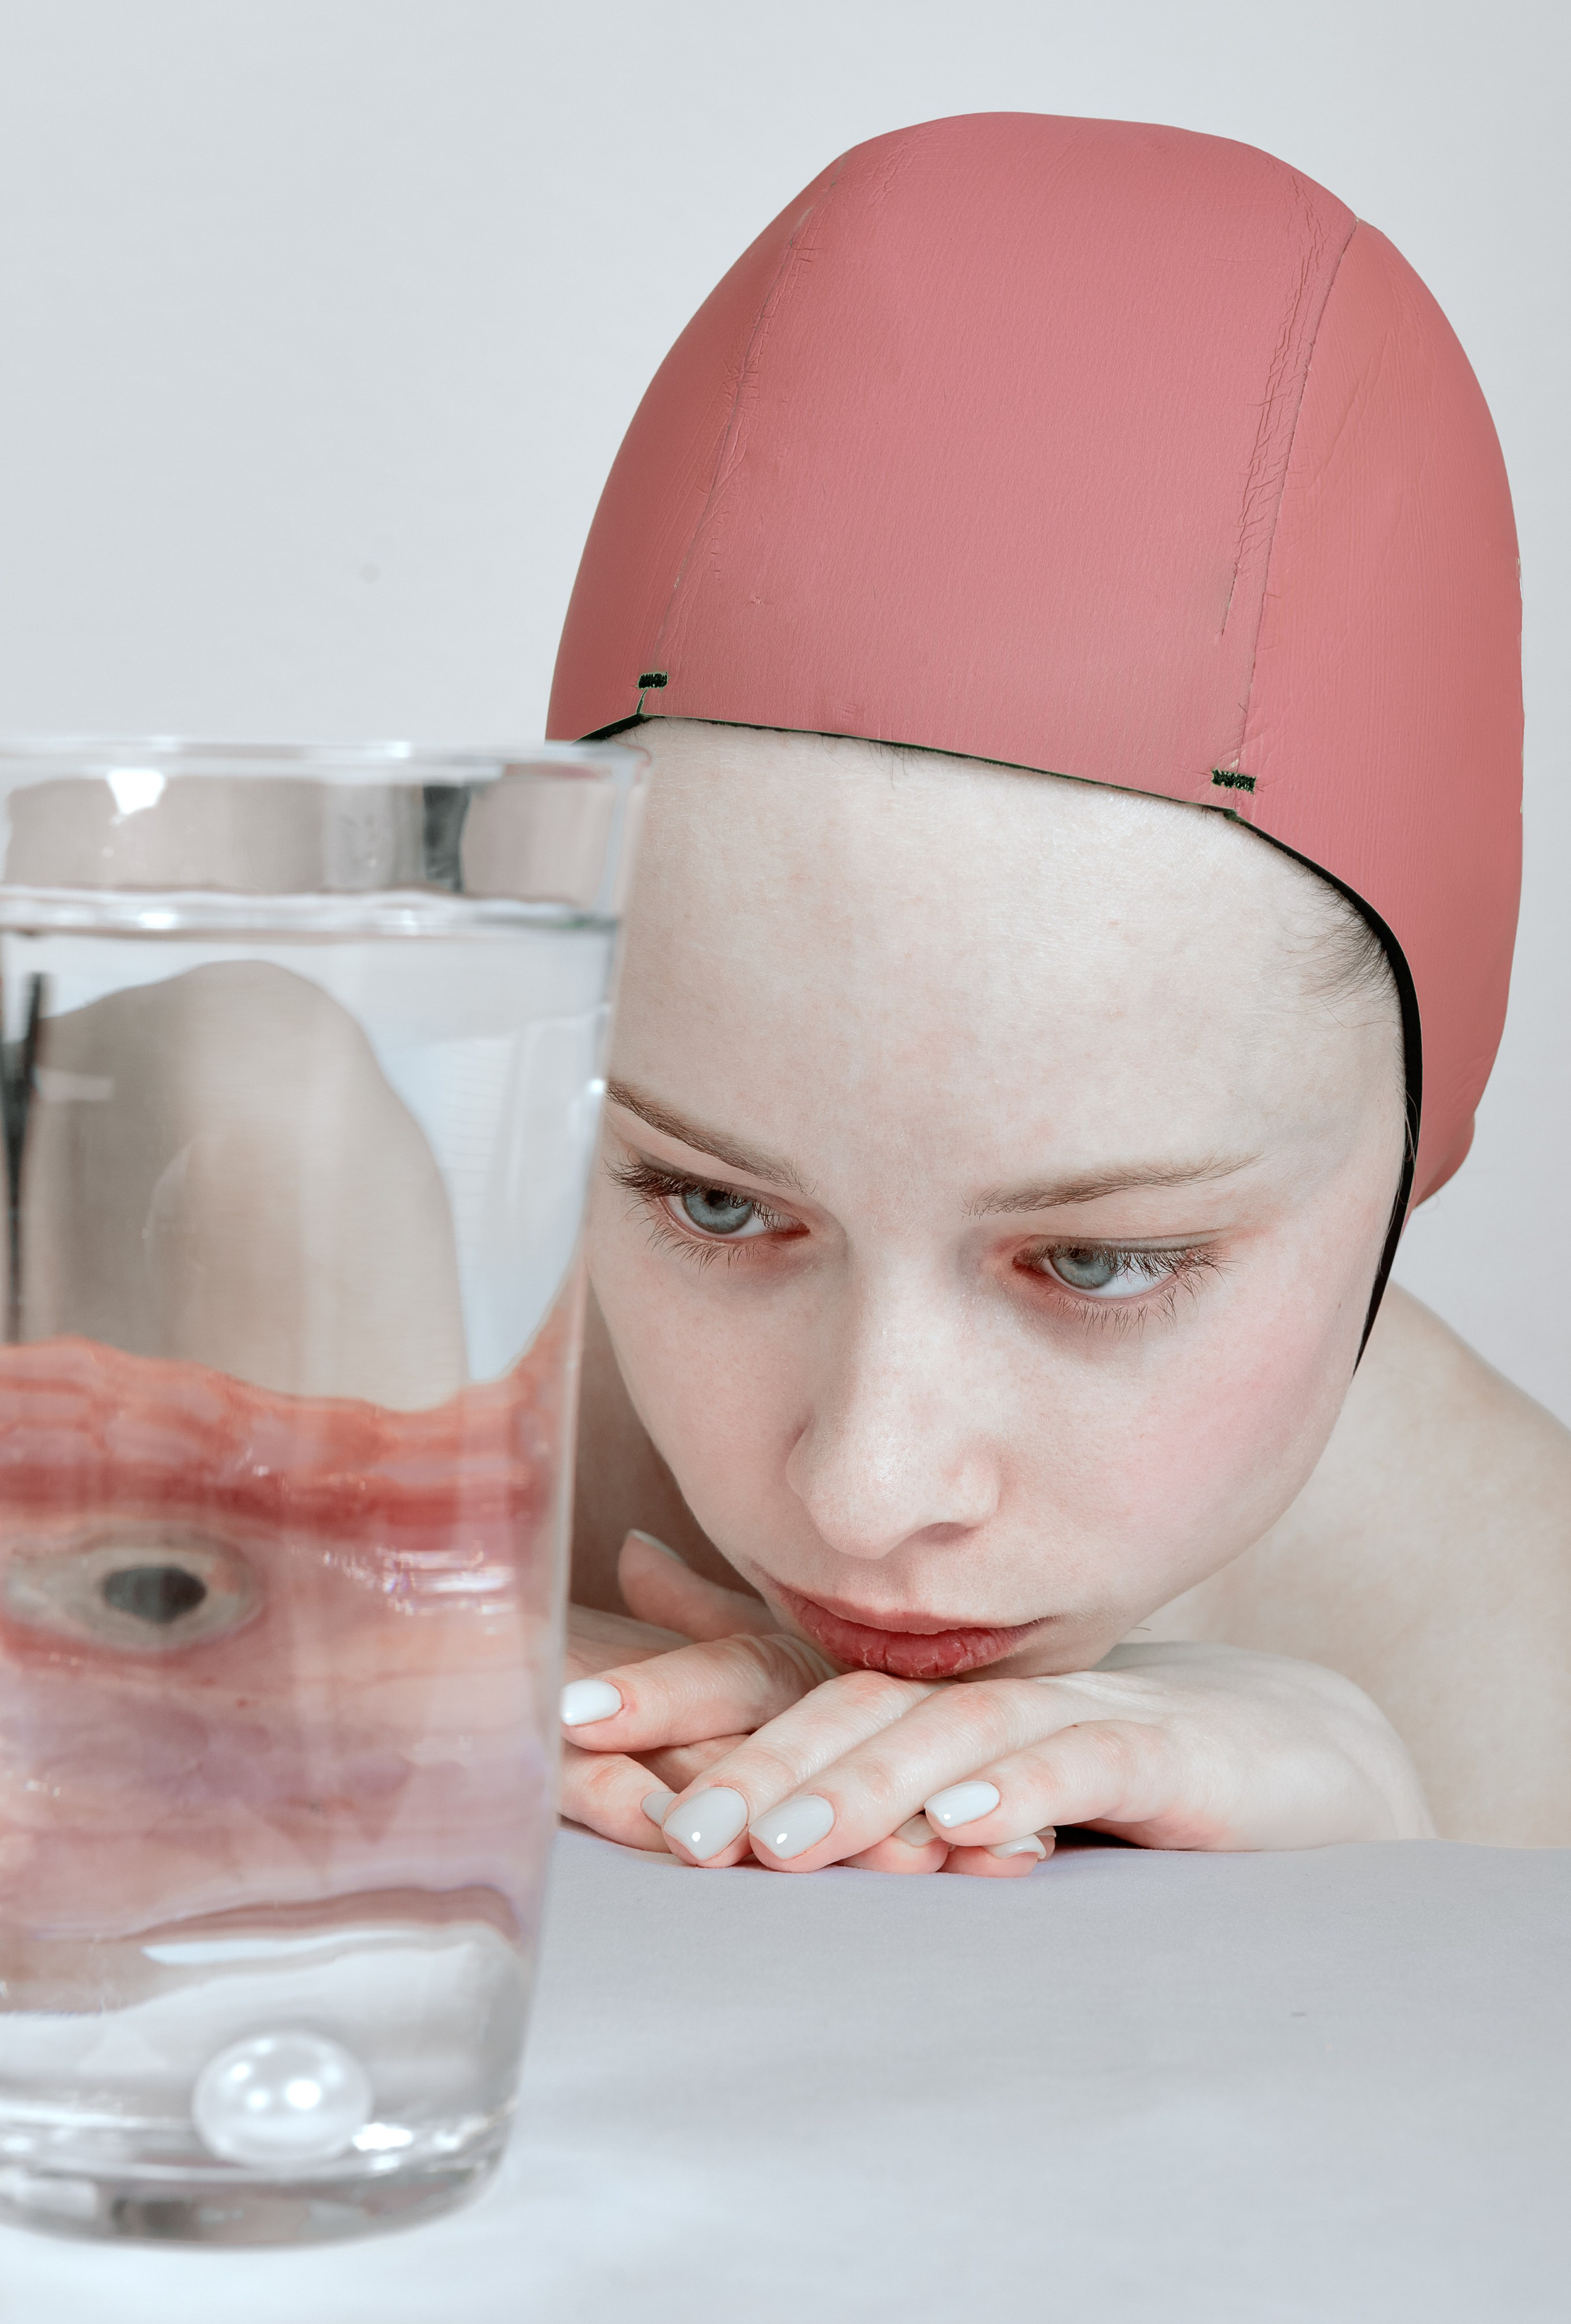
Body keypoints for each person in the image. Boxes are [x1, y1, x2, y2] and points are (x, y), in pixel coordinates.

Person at [552, 113, 1571, 1872]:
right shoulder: (187, 1252)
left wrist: (1397, 1917)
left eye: (1098, 1261)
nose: (868, 1491)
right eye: (713, 1202)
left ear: (1414, 1142)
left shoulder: (1520, 1668)